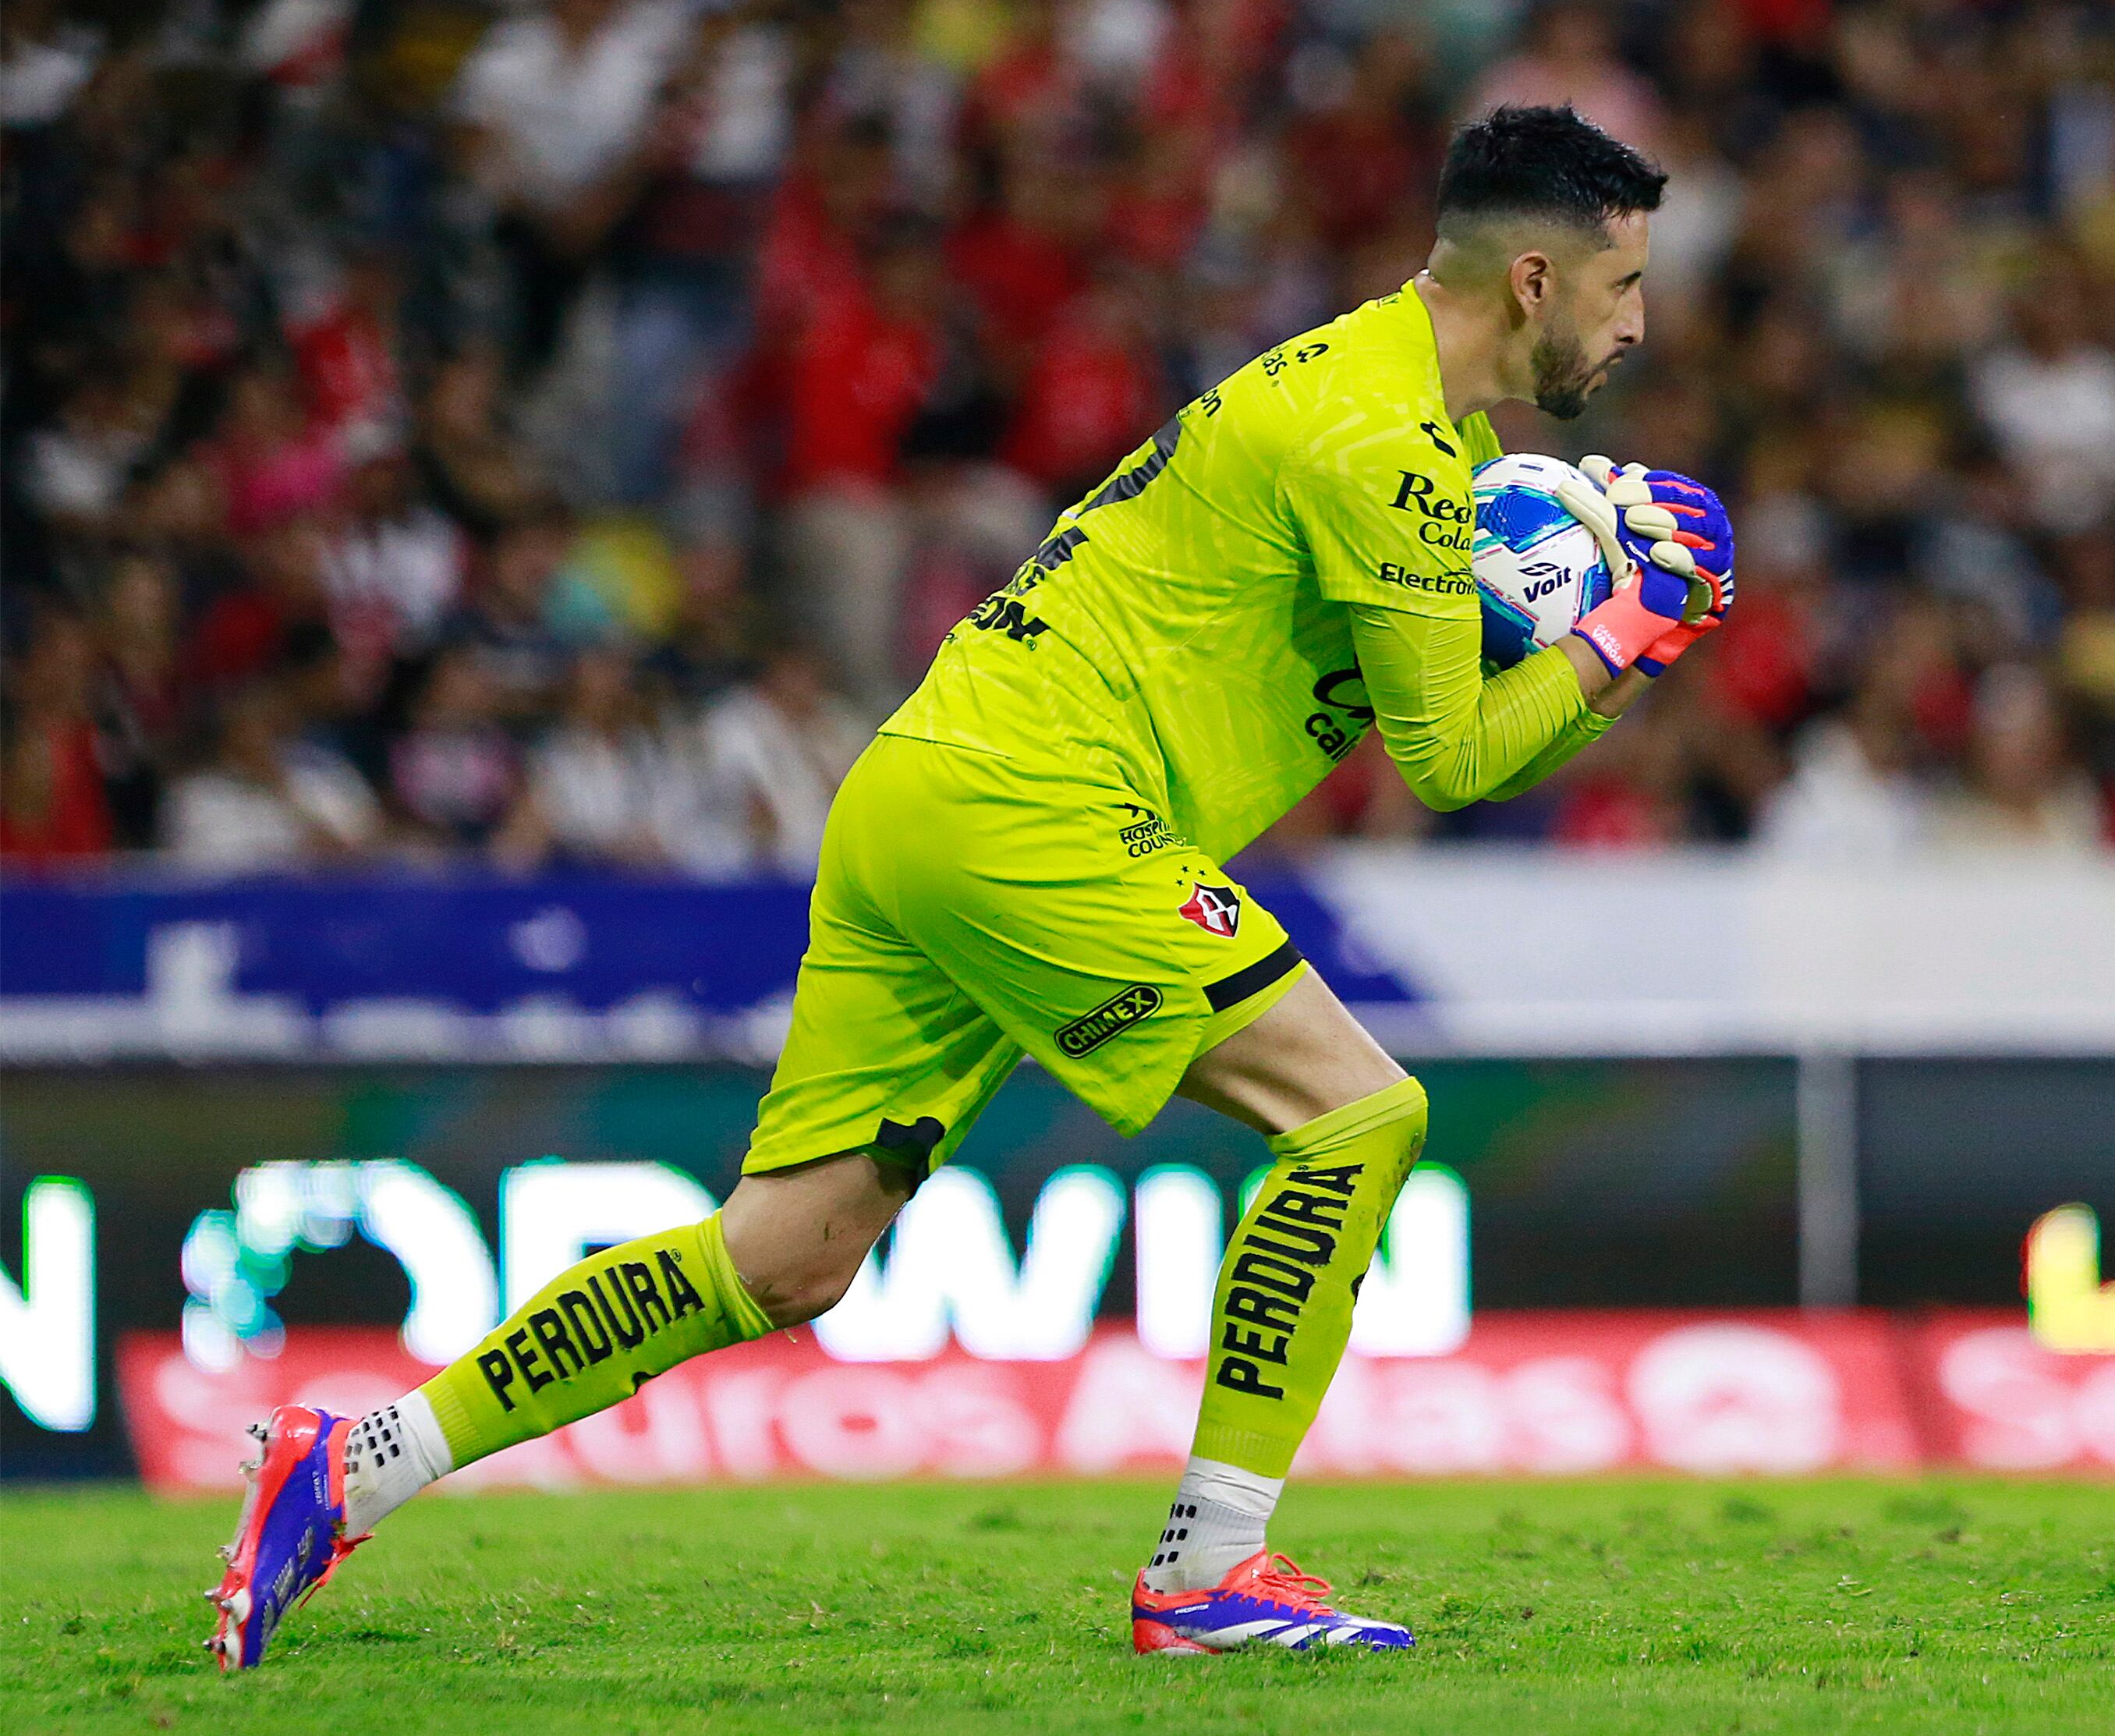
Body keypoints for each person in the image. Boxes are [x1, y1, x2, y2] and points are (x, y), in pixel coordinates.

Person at [206, 105, 1736, 1667]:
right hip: (1039, 807)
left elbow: (1419, 645)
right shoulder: (1384, 446)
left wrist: (1571, 581)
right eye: (1623, 291)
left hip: (925, 788)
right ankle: (1211, 1565)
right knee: (1359, 1115)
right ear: (1534, 280)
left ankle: (355, 1463)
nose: (1638, 326)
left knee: (783, 1254)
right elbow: (1453, 760)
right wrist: (1627, 640)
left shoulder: (1392, 419)